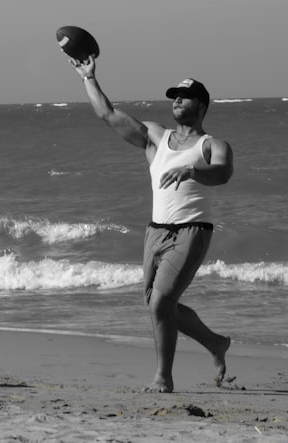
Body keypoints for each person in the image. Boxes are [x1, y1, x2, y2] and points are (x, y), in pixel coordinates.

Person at [71, 55, 233, 392]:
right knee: (159, 303)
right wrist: (88, 78)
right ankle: (216, 344)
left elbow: (222, 173)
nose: (176, 99)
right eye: (174, 94)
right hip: (155, 231)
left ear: (201, 105)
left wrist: (191, 170)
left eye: (184, 96)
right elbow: (108, 114)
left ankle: (163, 377)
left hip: (192, 230)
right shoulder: (156, 137)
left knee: (160, 302)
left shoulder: (213, 145)